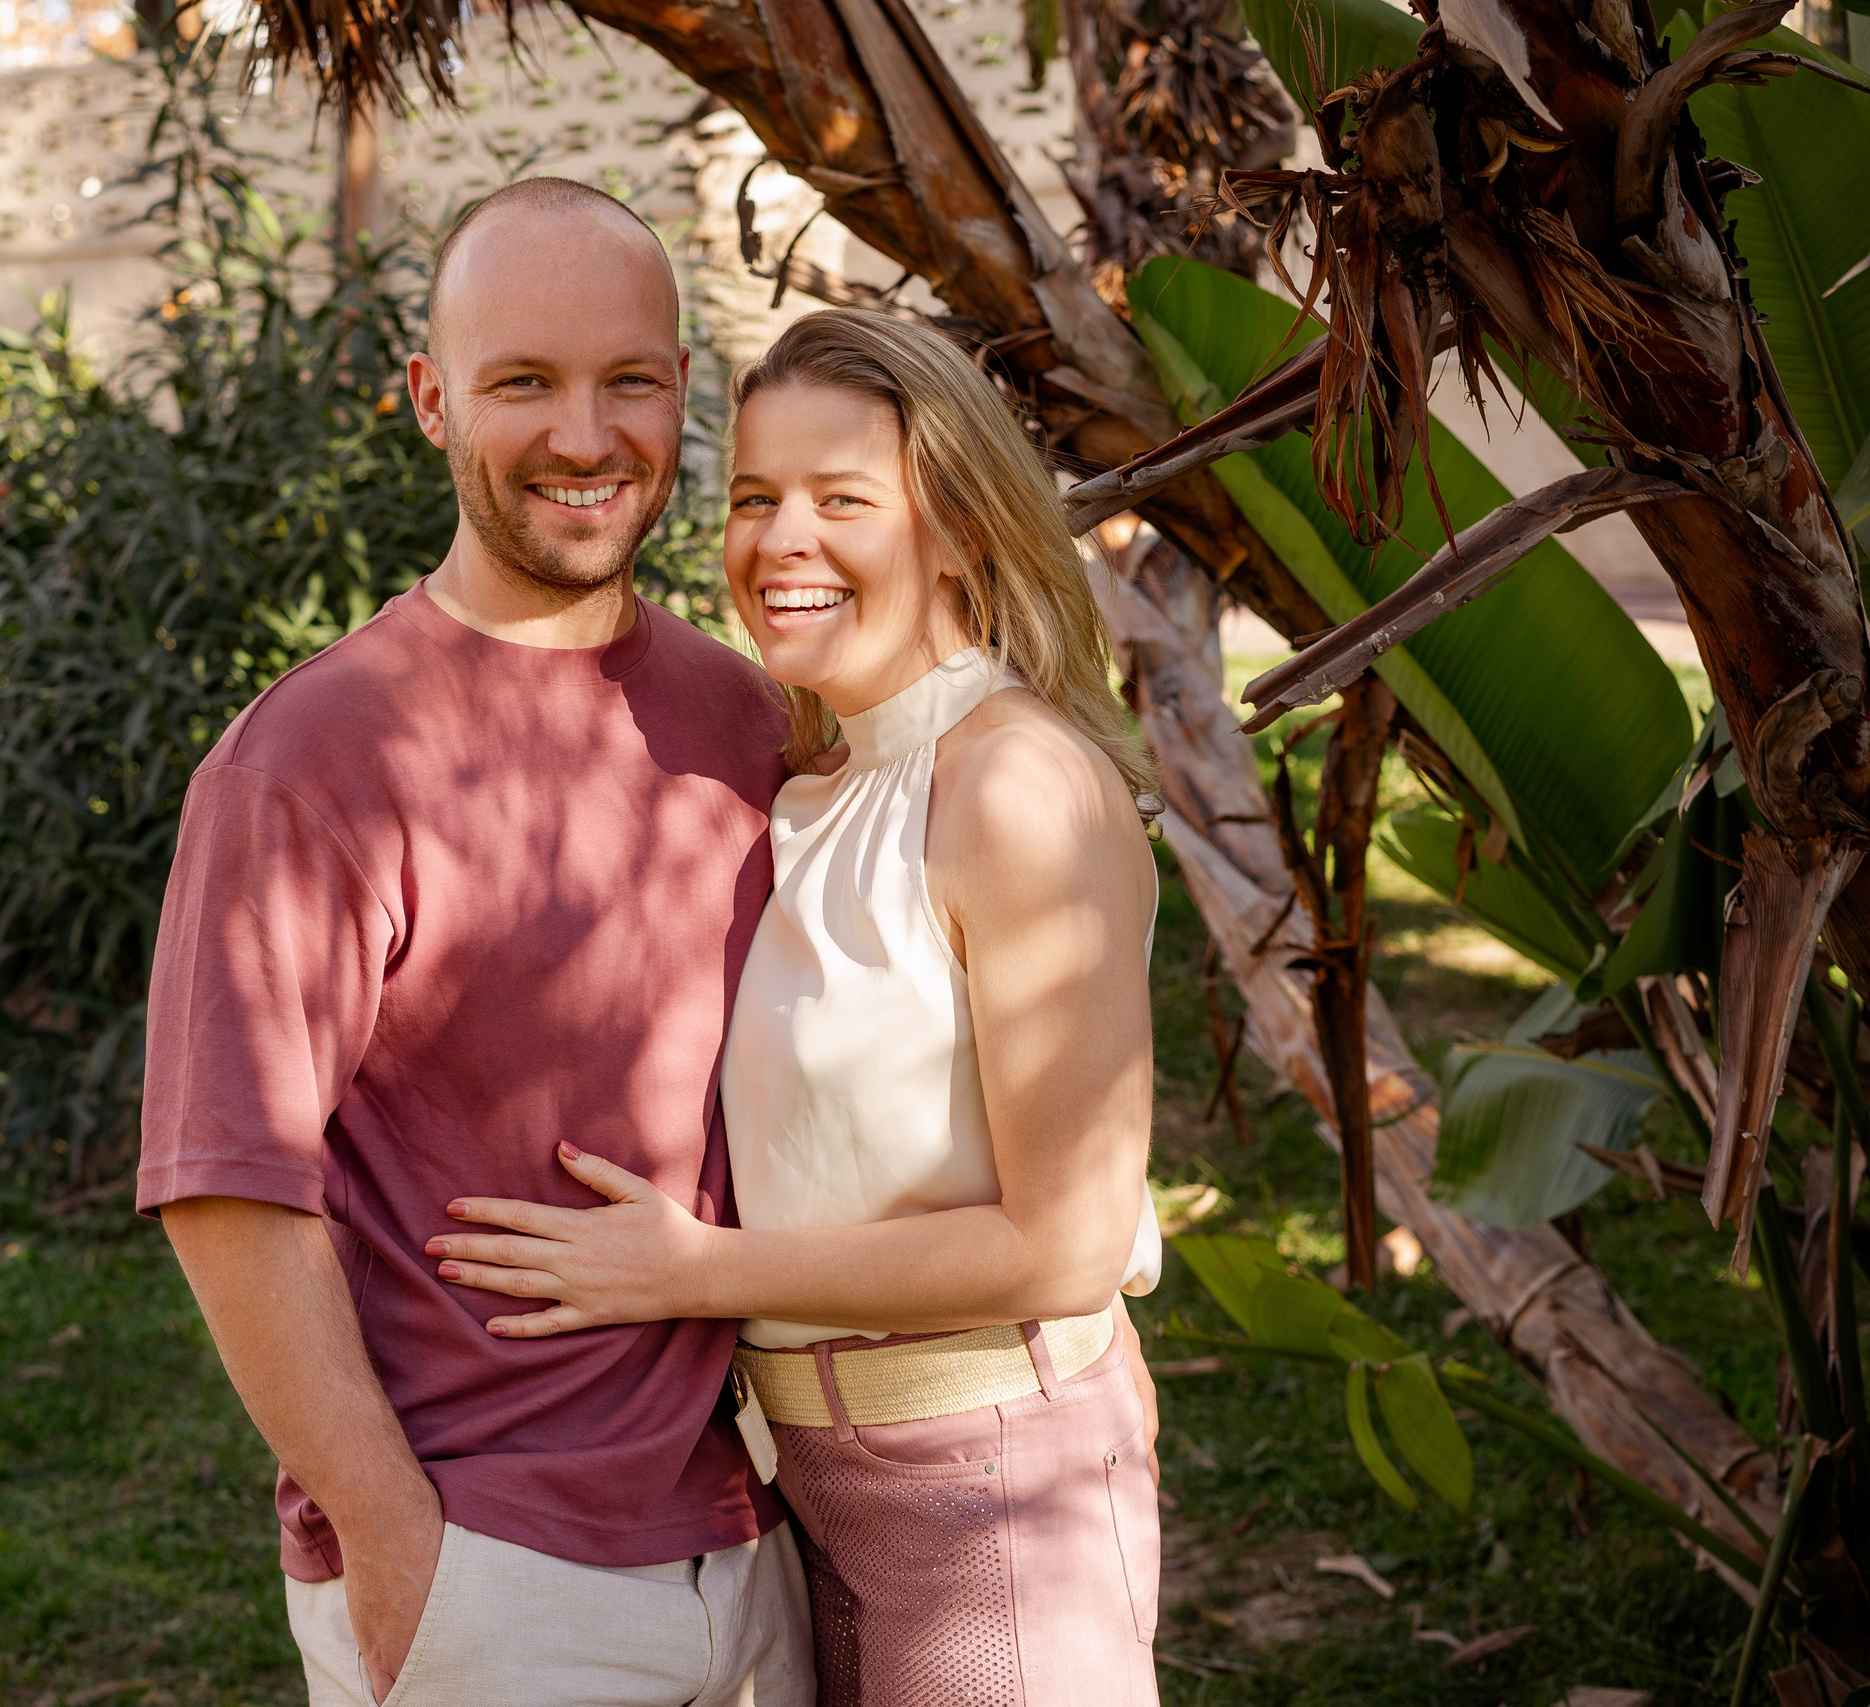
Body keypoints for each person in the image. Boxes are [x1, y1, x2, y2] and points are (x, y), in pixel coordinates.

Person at [138, 177, 814, 1707]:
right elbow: (229, 1190)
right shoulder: (313, 759)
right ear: (432, 400)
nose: (585, 435)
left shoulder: (748, 717)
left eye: (627, 380)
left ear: (683, 393)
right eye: (524, 383)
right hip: (491, 1570)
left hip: (759, 1537)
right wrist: (390, 1534)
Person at [429, 308, 1167, 1706]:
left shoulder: (1010, 785)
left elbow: (1067, 1243)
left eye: (843, 500)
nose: (781, 542)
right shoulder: (817, 788)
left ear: (957, 528)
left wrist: (692, 1272)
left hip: (993, 1487)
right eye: (756, 498)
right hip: (807, 1484)